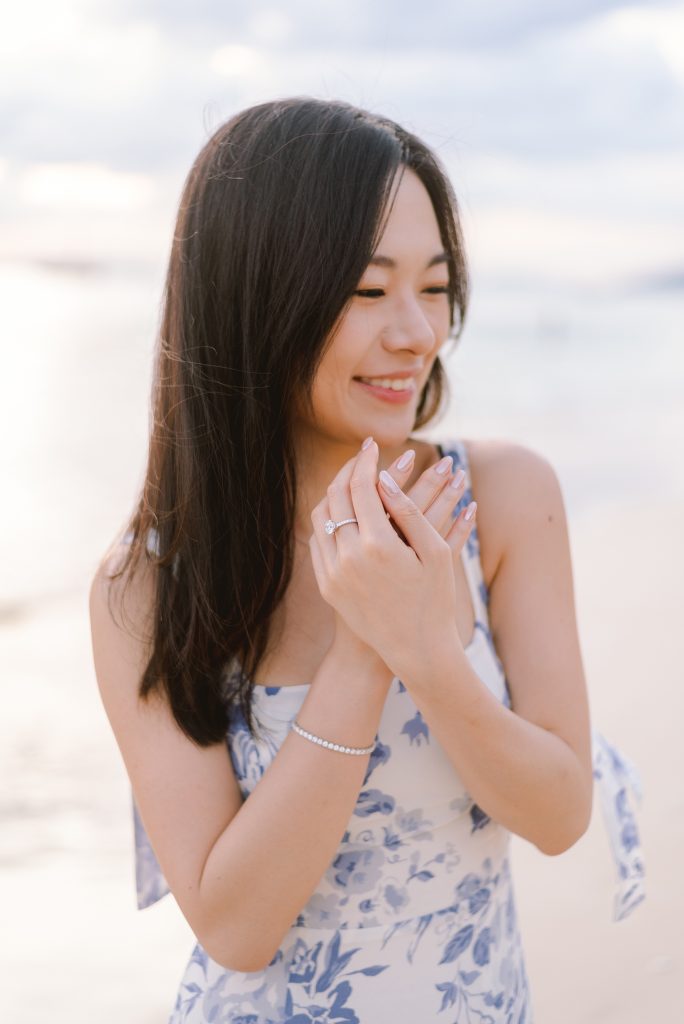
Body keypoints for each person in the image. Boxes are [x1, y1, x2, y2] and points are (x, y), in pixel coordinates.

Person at [89, 97, 644, 1024]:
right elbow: (235, 927)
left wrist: (425, 649)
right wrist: (361, 652)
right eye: (366, 290)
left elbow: (557, 815)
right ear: (259, 294)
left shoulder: (500, 500)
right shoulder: (150, 582)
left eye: (433, 287)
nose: (418, 332)